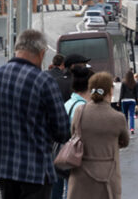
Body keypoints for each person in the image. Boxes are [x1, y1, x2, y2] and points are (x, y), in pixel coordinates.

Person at [0, 29, 70, 198]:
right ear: (42, 52)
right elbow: (62, 130)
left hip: (4, 168)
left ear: (17, 48)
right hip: (36, 169)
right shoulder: (44, 81)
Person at [67, 72, 129, 199]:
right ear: (110, 91)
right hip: (108, 174)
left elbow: (73, 133)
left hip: (81, 173)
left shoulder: (80, 111)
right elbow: (125, 141)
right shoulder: (118, 117)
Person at [57, 65, 93, 199]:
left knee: (69, 189)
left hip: (67, 155)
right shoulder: (82, 108)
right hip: (78, 159)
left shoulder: (68, 104)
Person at [120, 70, 138, 135]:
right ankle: (132, 128)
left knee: (125, 115)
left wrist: (119, 101)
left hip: (124, 100)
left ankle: (125, 128)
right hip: (132, 100)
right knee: (131, 115)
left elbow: (122, 93)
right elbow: (136, 93)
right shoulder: (134, 83)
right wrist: (137, 102)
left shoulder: (124, 83)